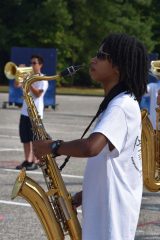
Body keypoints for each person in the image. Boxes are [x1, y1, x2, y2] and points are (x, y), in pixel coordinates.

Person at [33, 33, 148, 240]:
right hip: (107, 206)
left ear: (118, 66)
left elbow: (90, 147)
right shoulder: (119, 104)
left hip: (112, 216)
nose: (93, 59)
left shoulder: (121, 106)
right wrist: (84, 196)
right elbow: (115, 165)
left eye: (101, 55)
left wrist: (53, 147)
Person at [16, 55, 48, 171]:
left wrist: (27, 82)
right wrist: (19, 74)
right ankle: (28, 160)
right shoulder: (28, 77)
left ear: (40, 65)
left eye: (34, 63)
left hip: (35, 114)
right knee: (25, 138)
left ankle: (35, 161)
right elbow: (16, 85)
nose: (32, 65)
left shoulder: (43, 79)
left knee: (35, 140)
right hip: (25, 112)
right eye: (31, 63)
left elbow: (38, 94)